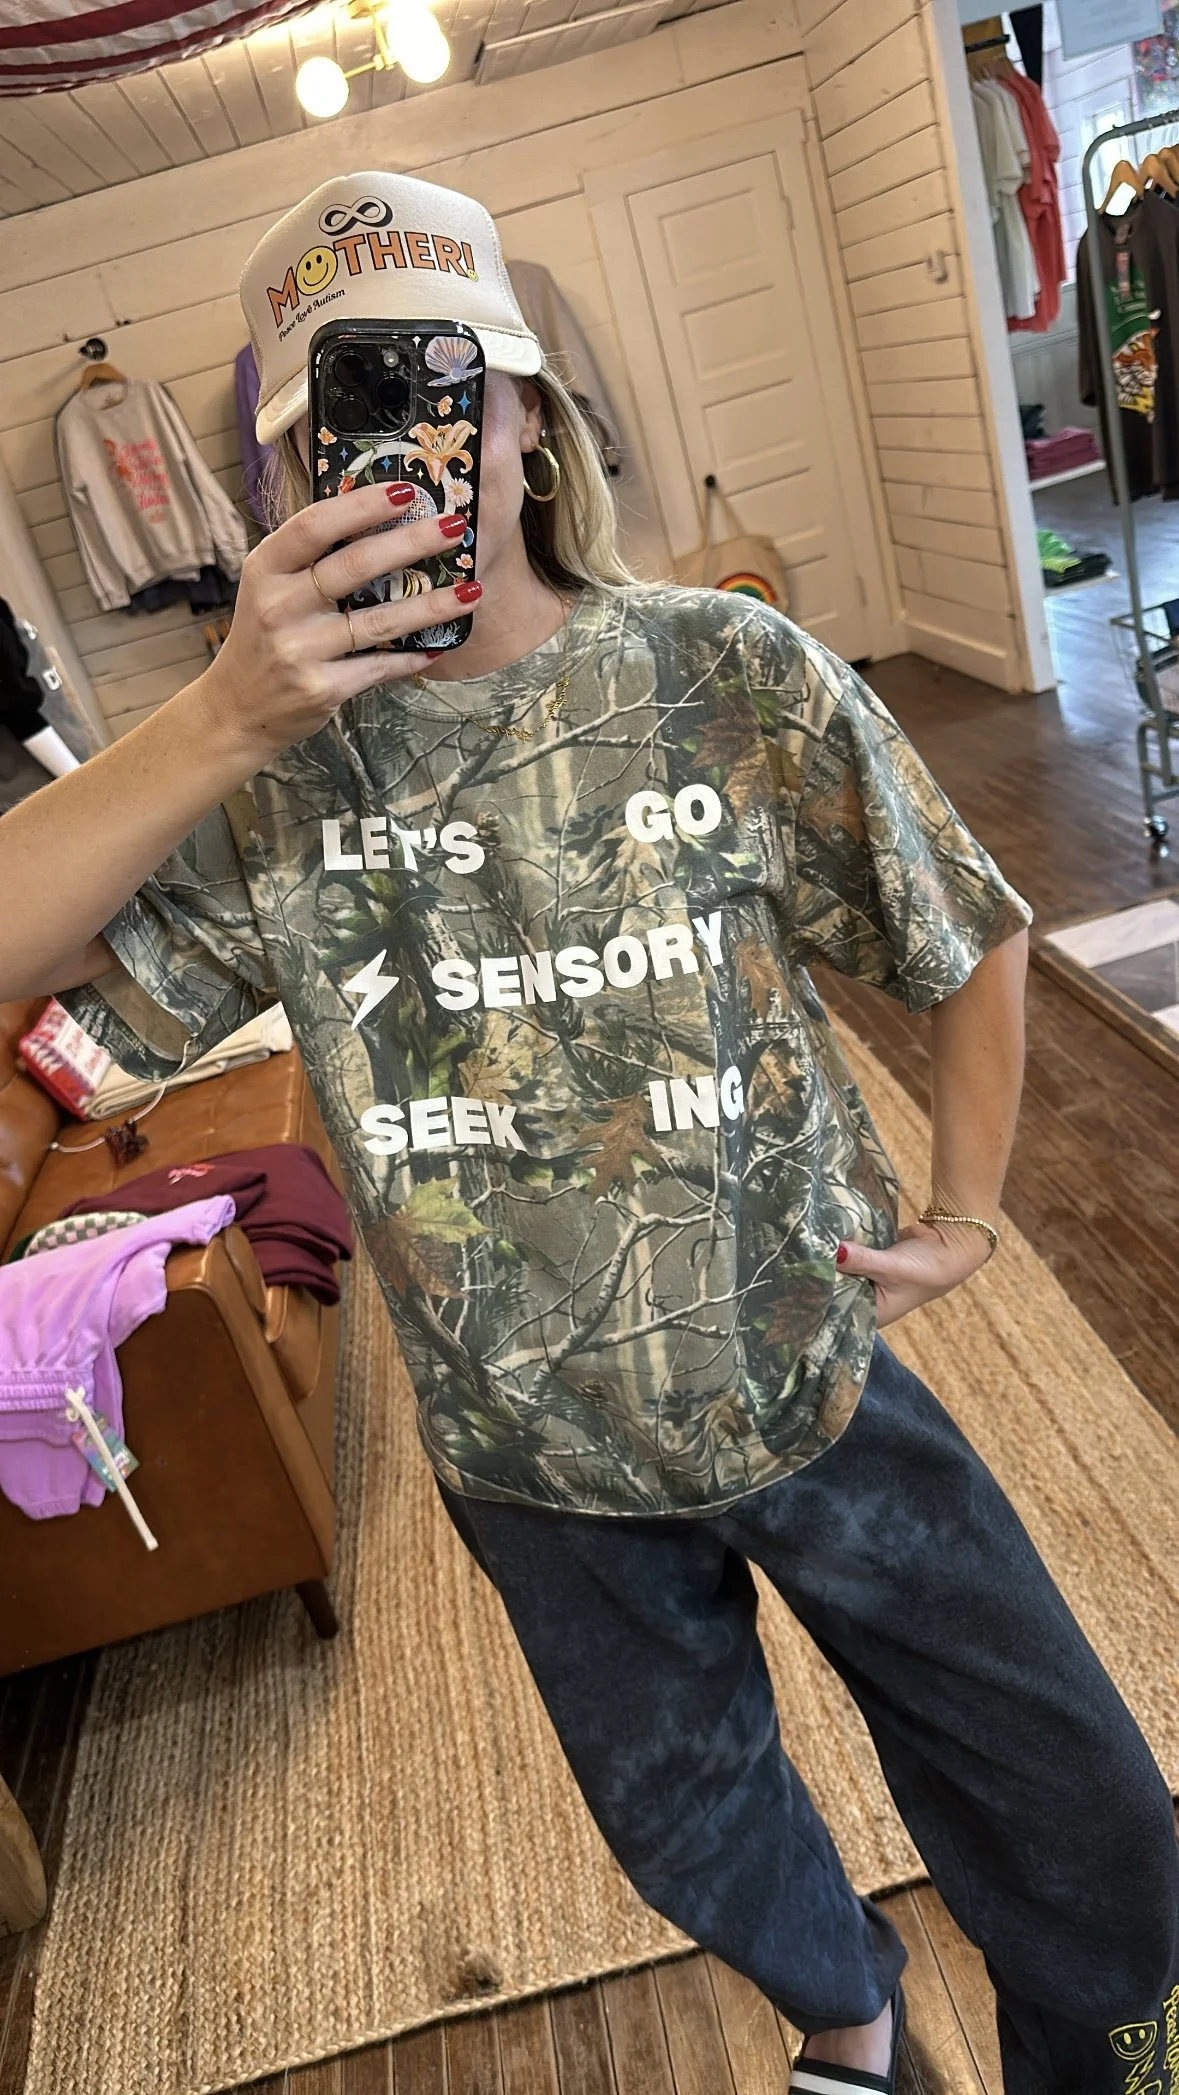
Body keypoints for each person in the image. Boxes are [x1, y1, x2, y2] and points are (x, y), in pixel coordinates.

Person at [1, 171, 1176, 2095]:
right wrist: (220, 716)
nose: (405, 455)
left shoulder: (720, 669)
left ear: (531, 419)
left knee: (1079, 1806)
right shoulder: (271, 781)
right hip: (528, 1455)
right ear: (283, 476)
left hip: (802, 1367)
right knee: (687, 1827)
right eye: (339, 423)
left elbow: (963, 926)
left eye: (447, 390)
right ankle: (850, 2022)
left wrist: (966, 1208)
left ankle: (1117, 2066)